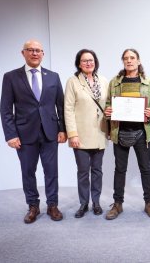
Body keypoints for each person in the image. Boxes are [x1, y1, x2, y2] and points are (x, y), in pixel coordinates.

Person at [0, 39, 67, 224]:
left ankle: (52, 205)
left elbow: (60, 106)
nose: (35, 53)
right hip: (24, 134)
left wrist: (62, 130)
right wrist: (11, 135)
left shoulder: (53, 76)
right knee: (28, 171)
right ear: (23, 53)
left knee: (51, 171)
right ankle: (33, 206)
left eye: (38, 50)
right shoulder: (11, 77)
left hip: (50, 132)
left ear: (43, 54)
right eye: (30, 50)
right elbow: (6, 109)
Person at [104, 49, 150, 220]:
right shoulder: (114, 82)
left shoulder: (149, 82)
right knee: (120, 169)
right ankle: (117, 204)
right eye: (126, 58)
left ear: (139, 61)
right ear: (123, 61)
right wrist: (108, 111)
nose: (129, 61)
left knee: (145, 169)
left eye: (132, 58)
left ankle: (149, 203)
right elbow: (107, 104)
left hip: (142, 132)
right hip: (120, 131)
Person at [64, 49, 109, 218]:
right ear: (79, 64)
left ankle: (96, 202)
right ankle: (83, 203)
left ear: (95, 62)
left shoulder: (103, 80)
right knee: (83, 171)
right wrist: (72, 134)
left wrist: (111, 128)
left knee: (97, 170)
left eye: (91, 60)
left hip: (100, 132)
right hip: (80, 134)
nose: (88, 63)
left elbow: (108, 106)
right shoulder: (73, 81)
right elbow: (67, 109)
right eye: (84, 61)